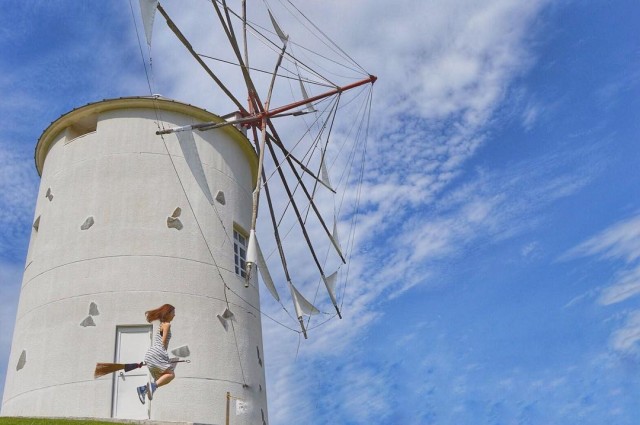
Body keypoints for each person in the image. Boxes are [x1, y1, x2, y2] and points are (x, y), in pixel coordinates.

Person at [137, 304, 176, 404]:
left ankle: (143, 389)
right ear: (168, 313)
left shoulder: (161, 324)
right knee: (171, 375)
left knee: (161, 378)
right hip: (158, 352)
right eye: (173, 313)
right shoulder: (167, 324)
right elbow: (163, 343)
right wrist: (165, 358)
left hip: (150, 354)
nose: (174, 315)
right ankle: (152, 387)